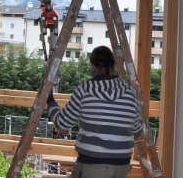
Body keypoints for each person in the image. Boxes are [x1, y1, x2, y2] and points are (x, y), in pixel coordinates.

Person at [47, 46, 143, 178]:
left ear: (92, 65)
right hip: (121, 165)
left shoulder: (86, 90)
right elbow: (138, 131)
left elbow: (62, 123)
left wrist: (50, 101)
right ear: (113, 64)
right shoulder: (130, 93)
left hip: (93, 163)